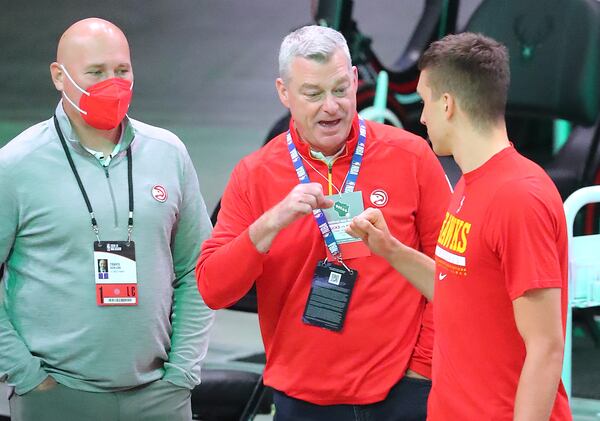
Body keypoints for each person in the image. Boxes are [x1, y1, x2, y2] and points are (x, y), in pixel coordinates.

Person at [197, 25, 451, 420]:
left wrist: (422, 368)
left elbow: (454, 276)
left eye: (339, 89)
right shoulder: (255, 174)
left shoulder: (412, 157)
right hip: (303, 397)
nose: (331, 107)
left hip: (402, 389)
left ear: (354, 80)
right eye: (313, 94)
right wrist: (268, 225)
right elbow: (213, 288)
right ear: (284, 93)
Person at [347, 32, 572, 420]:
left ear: (447, 105)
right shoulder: (470, 181)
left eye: (424, 101)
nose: (420, 117)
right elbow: (459, 288)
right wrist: (390, 249)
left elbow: (546, 346)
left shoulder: (519, 198)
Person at [0, 18, 215, 421]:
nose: (112, 83)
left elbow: (199, 269)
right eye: (96, 72)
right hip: (56, 396)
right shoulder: (15, 166)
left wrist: (182, 372)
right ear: (59, 77)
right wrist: (25, 375)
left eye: (122, 70)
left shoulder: (168, 154)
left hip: (160, 397)